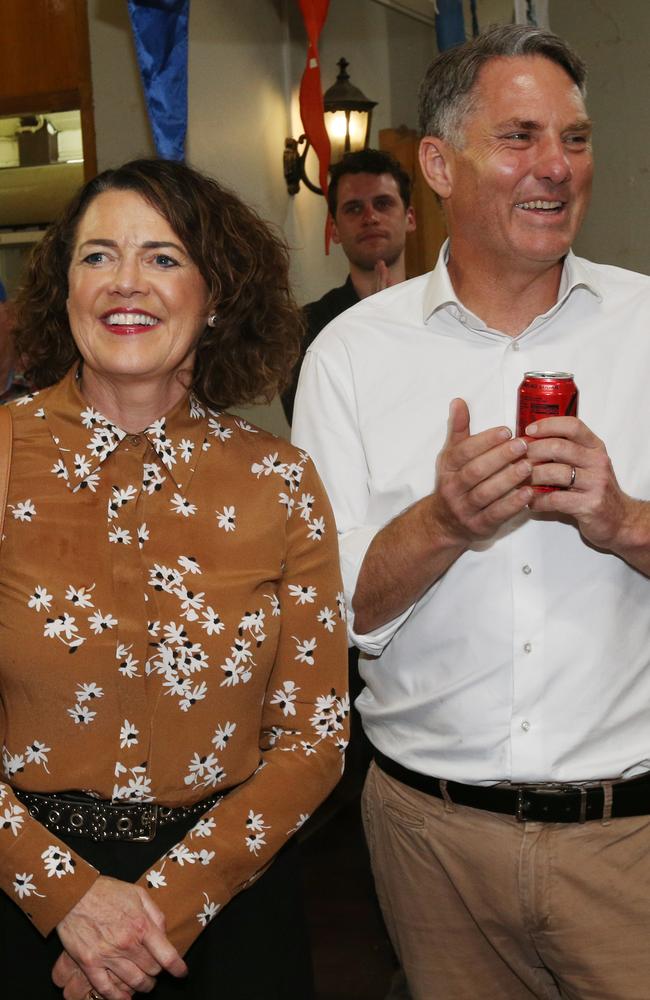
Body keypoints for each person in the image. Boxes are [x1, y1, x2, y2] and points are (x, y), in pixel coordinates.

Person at [292, 23, 650, 1000]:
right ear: (440, 165)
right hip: (429, 845)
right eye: (520, 137)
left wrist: (622, 520)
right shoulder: (349, 358)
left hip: (630, 842)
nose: (554, 168)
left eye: (573, 140)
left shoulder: (646, 327)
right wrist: (440, 523)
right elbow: (331, 613)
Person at [0, 158, 348, 1000]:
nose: (127, 283)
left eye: (162, 257)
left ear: (216, 293)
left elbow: (316, 737)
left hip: (229, 910)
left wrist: (160, 912)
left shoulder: (283, 481)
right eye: (97, 257)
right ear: (64, 287)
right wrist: (68, 897)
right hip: (22, 905)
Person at [281, 148, 415, 423]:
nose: (370, 217)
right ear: (335, 230)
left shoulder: (446, 310)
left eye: (383, 203)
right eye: (354, 208)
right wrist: (372, 330)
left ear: (410, 218)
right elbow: (312, 427)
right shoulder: (303, 329)